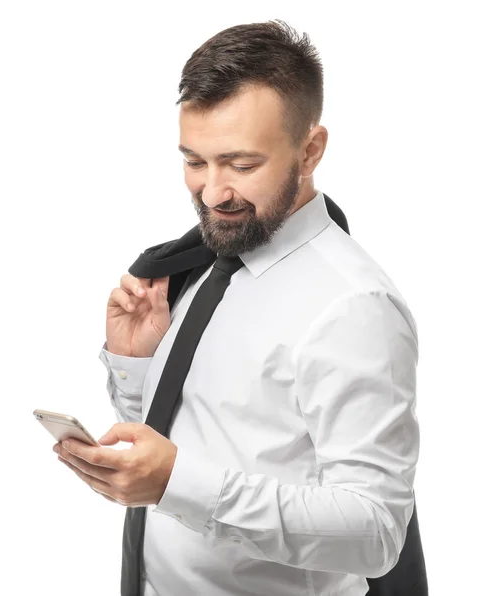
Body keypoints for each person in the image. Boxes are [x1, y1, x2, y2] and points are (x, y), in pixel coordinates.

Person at [53, 19, 423, 596]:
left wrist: (177, 484)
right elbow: (208, 433)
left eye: (242, 165)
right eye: (194, 161)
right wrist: (139, 368)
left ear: (311, 150)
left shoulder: (353, 306)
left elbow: (375, 532)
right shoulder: (211, 260)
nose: (212, 192)